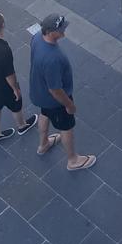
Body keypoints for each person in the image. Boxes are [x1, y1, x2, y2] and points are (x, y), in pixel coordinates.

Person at [29, 13, 96, 170]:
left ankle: (43, 144)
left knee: (44, 114)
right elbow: (55, 89)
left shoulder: (37, 38)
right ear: (51, 32)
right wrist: (69, 105)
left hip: (40, 93)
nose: (64, 31)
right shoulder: (53, 58)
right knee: (66, 127)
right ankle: (73, 160)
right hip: (55, 100)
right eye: (61, 29)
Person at [0, 12, 38, 143]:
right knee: (16, 104)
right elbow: (9, 74)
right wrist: (15, 88)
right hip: (3, 86)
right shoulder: (4, 49)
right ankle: (22, 126)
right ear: (3, 25)